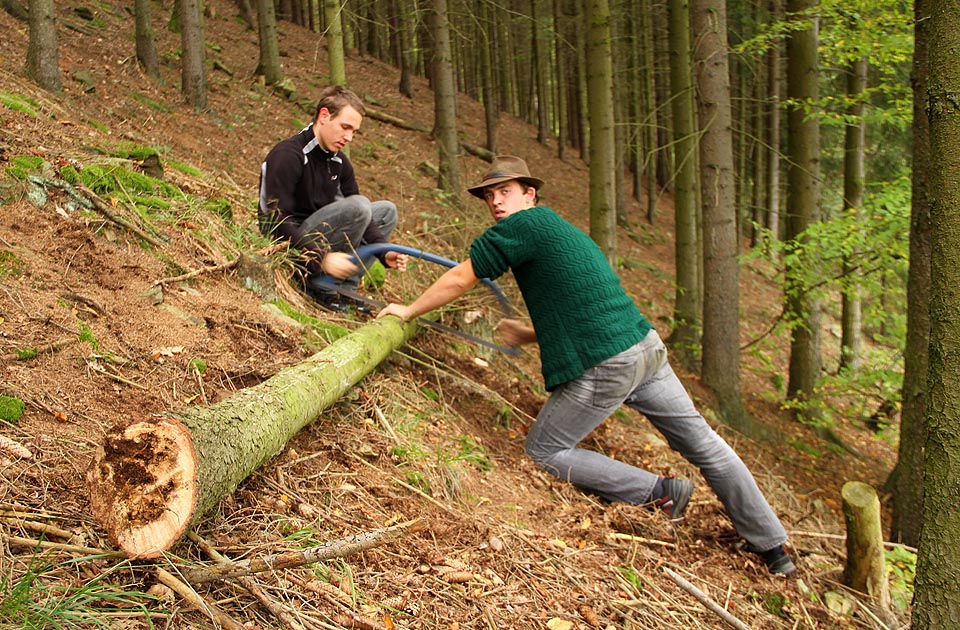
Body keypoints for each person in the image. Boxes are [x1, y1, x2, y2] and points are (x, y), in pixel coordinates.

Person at [377, 155, 797, 576]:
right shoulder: (559, 230)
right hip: (645, 349)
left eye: (505, 192)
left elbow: (460, 278)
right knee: (707, 446)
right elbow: (584, 304)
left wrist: (408, 310)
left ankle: (659, 493)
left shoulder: (521, 227)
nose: (496, 202)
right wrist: (530, 333)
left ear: (529, 194)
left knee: (544, 451)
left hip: (609, 363)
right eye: (489, 195)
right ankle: (772, 545)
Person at [259, 85, 408, 311]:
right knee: (359, 206)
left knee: (387, 211)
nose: (349, 137)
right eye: (345, 127)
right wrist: (321, 258)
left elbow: (366, 217)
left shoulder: (339, 162)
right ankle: (321, 286)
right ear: (324, 116)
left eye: (354, 131)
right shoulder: (289, 154)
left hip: (320, 239)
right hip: (290, 245)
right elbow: (274, 221)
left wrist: (384, 251)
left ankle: (345, 288)